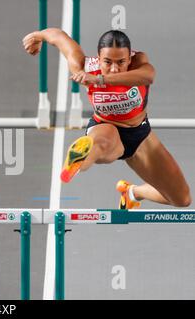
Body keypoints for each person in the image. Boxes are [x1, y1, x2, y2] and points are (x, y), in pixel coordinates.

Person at [23, 28, 191, 208]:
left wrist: (100, 80)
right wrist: (37, 36)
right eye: (107, 61)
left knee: (182, 199)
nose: (114, 68)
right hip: (105, 126)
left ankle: (133, 193)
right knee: (102, 143)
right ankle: (80, 159)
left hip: (141, 135)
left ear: (130, 59)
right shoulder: (84, 66)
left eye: (120, 62)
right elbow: (58, 37)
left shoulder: (138, 63)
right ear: (98, 57)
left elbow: (148, 76)